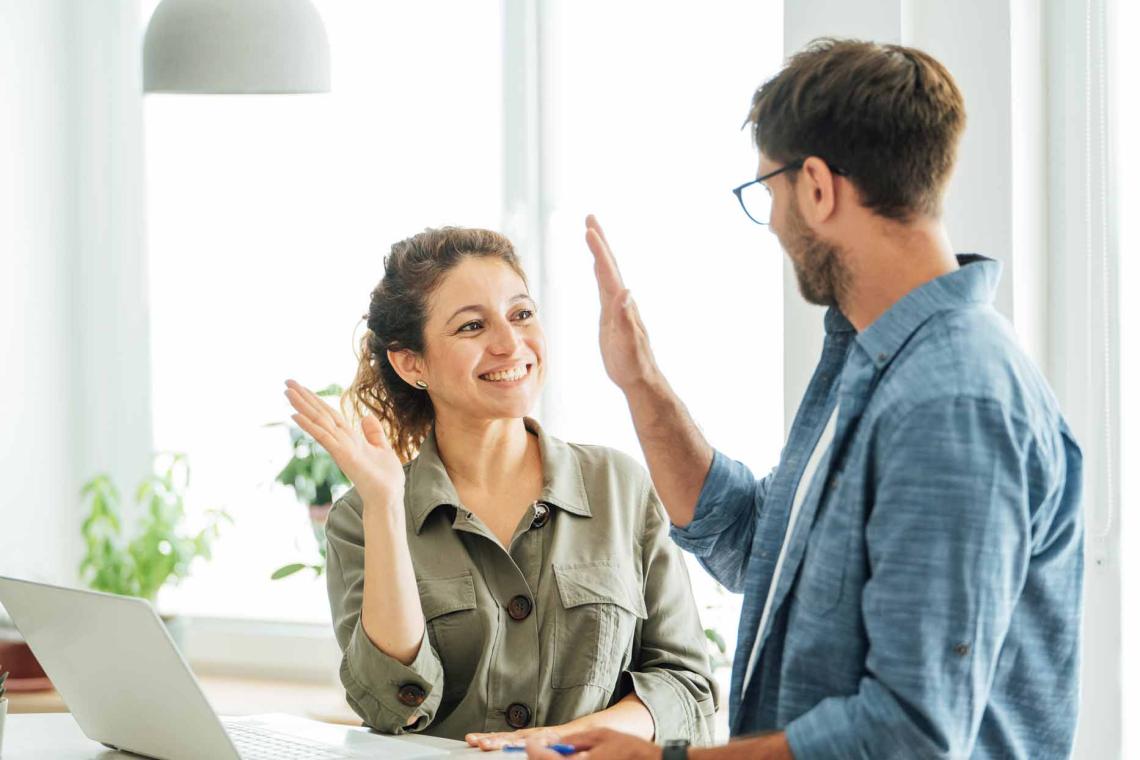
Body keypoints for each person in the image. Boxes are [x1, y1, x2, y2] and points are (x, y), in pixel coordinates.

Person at [526, 39, 1084, 760]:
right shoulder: (868, 356)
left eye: (769, 193)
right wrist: (641, 383)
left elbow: (908, 733)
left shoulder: (954, 400)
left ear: (817, 186)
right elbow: (759, 548)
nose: (777, 226)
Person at [283, 227, 717, 747]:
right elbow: (388, 702)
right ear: (411, 362)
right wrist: (384, 507)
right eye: (472, 326)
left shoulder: (618, 486)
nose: (510, 343)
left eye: (521, 314)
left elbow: (685, 689)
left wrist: (566, 738)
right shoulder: (362, 516)